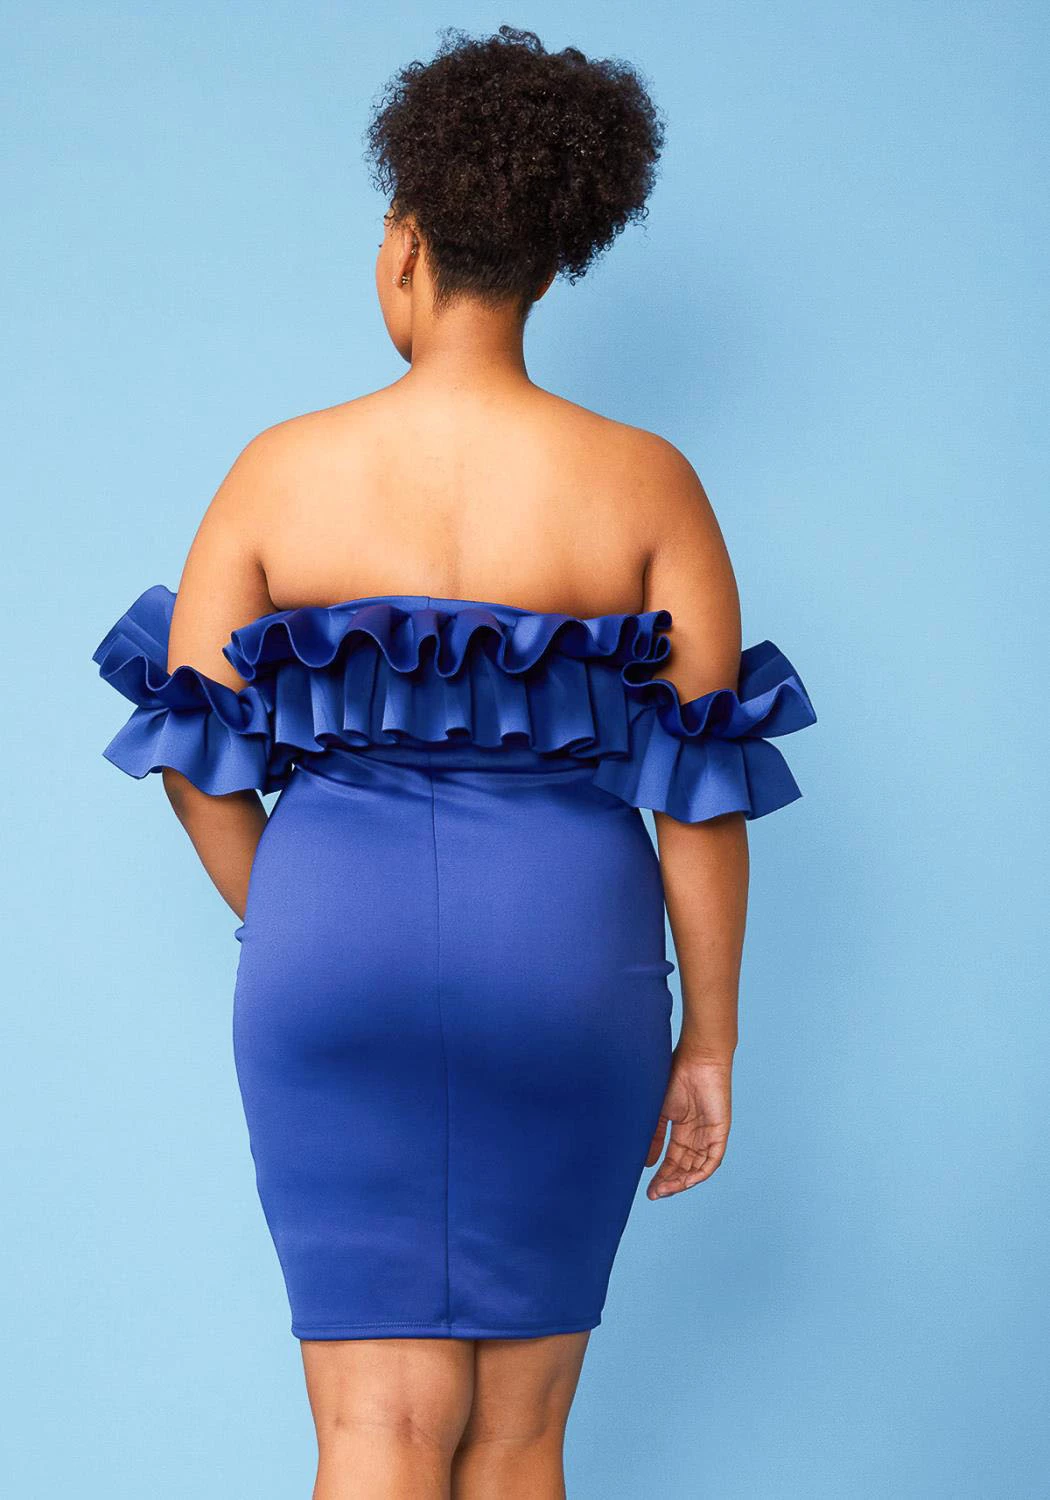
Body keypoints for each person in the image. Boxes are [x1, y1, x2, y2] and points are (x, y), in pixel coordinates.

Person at [92, 25, 816, 1500]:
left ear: (407, 245)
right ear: (549, 263)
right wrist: (711, 1041)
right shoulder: (647, 483)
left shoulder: (280, 469)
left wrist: (294, 908)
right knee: (520, 1438)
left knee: (372, 1432)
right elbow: (702, 795)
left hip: (327, 945)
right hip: (566, 955)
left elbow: (195, 759)